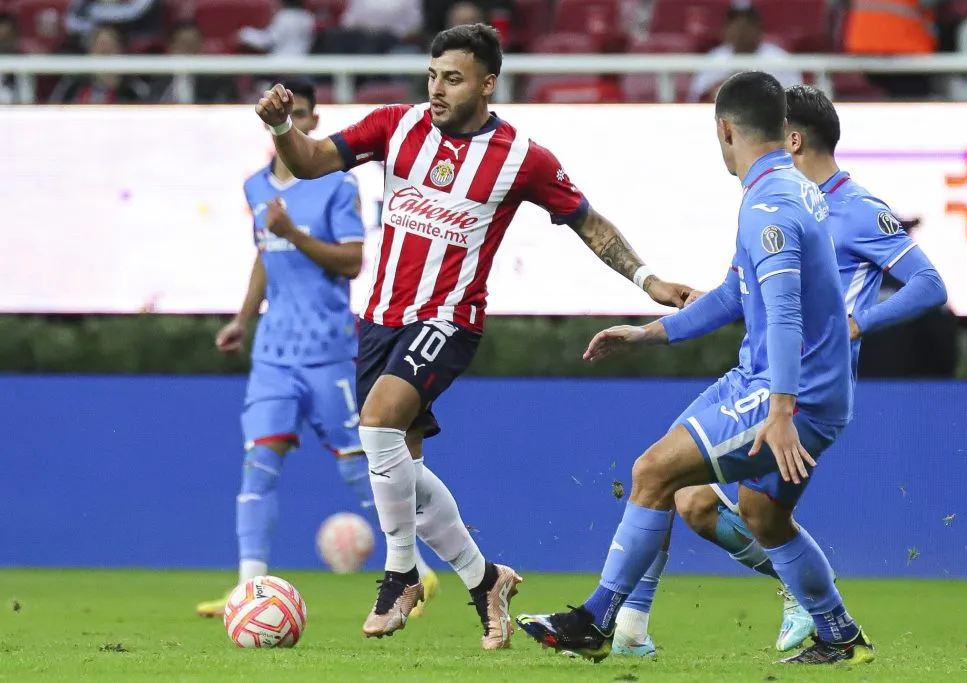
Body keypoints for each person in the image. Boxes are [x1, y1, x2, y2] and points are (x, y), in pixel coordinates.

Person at [253, 24, 690, 649]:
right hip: (379, 320)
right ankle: (485, 580)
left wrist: (647, 280)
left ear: (488, 84)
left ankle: (400, 574)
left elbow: (588, 222)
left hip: (448, 319)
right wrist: (279, 129)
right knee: (399, 466)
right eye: (432, 75)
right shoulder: (394, 126)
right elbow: (310, 160)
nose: (436, 89)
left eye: (452, 78)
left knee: (376, 426)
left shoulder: (522, 158)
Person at [517, 71, 875, 666]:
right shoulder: (793, 191)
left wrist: (783, 410)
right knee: (762, 515)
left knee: (653, 471)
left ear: (724, 130)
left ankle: (598, 620)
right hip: (802, 387)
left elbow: (784, 315)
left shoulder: (769, 206)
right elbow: (737, 294)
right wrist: (650, 333)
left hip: (786, 392)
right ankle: (840, 636)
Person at [609, 84, 948, 659]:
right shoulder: (782, 202)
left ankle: (619, 624)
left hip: (804, 391)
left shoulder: (856, 208)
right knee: (714, 505)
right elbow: (742, 293)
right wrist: (659, 327)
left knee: (666, 476)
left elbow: (929, 284)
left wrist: (857, 323)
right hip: (763, 377)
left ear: (791, 138)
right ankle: (829, 626)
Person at [196, 78, 437, 619]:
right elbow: (264, 253)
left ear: (314, 118)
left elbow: (352, 263)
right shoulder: (256, 186)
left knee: (361, 467)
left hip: (329, 350)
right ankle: (248, 590)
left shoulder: (334, 186)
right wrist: (242, 318)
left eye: (303, 115)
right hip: (273, 354)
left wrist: (294, 232)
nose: (296, 125)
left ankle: (414, 572)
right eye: (287, 116)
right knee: (258, 463)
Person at [688, 3, 802, 104]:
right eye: (735, 25)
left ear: (759, 28)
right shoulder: (713, 60)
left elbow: (795, 101)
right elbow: (697, 100)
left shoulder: (780, 60)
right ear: (725, 29)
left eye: (748, 24)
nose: (741, 31)